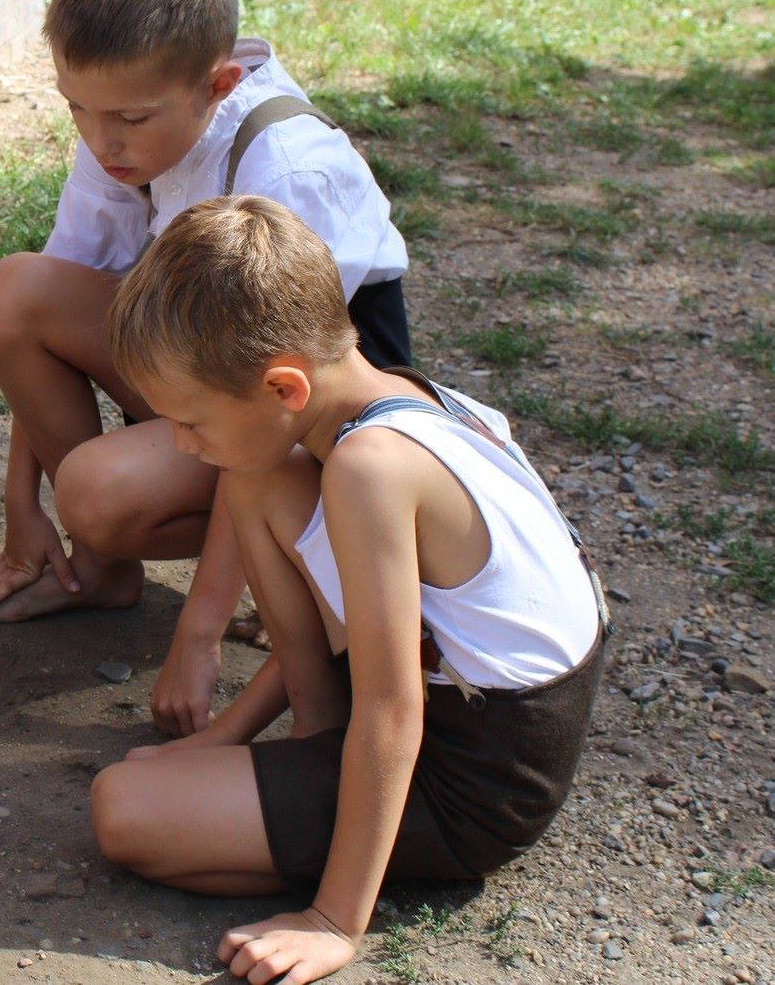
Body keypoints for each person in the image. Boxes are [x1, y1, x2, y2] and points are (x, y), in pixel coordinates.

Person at [89, 196, 603, 985]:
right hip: (480, 713)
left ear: (286, 387)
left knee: (124, 809)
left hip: (478, 779)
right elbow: (377, 631)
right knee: (256, 481)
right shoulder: (398, 394)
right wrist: (228, 732)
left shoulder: (370, 470)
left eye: (190, 421)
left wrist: (332, 921)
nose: (183, 444)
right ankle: (313, 755)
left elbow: (394, 706)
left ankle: (342, 857)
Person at [0, 0, 411, 742]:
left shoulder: (285, 171)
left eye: (126, 118)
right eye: (77, 110)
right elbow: (62, 290)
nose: (99, 142)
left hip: (311, 427)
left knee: (96, 489)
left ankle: (302, 570)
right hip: (199, 369)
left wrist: (198, 635)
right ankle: (99, 569)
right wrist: (21, 504)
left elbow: (273, 420)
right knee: (15, 291)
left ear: (220, 84)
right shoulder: (125, 131)